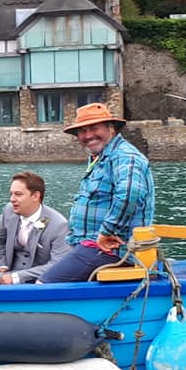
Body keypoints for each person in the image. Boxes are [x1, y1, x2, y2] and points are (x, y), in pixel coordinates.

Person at [38, 103, 155, 283]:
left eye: (94, 128)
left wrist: (108, 231)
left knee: (44, 284)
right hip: (90, 246)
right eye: (82, 131)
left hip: (113, 250)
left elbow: (129, 193)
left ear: (111, 129)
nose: (88, 135)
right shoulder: (100, 159)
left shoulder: (124, 156)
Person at [0, 171, 70, 285]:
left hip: (41, 280)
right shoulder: (9, 211)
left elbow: (57, 264)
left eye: (18, 194)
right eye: (11, 194)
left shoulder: (59, 225)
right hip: (9, 272)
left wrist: (17, 277)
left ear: (35, 196)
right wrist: (3, 265)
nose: (12, 199)